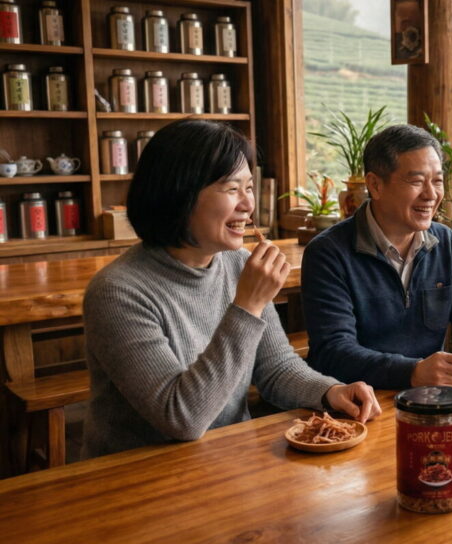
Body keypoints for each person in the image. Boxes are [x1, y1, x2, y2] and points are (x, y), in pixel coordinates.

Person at [83, 120, 380, 458]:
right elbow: (181, 418)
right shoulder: (117, 292)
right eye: (231, 188)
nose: (248, 205)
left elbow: (276, 367)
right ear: (179, 194)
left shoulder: (238, 263)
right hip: (135, 472)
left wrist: (330, 391)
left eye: (249, 187)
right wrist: (247, 306)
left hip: (227, 457)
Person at [302, 124, 452, 389]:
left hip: (429, 398)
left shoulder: (444, 242)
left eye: (437, 181)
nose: (431, 195)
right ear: (375, 185)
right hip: (355, 403)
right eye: (417, 181)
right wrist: (412, 372)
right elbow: (333, 351)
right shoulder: (328, 253)